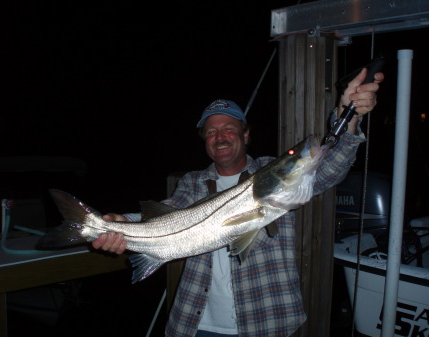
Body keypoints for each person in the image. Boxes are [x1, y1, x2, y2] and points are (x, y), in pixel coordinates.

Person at [92, 68, 384, 337]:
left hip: (268, 322)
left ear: (246, 135)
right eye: (211, 131)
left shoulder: (270, 173)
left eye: (229, 128)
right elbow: (168, 214)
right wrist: (121, 224)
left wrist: (349, 117)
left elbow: (330, 167)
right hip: (195, 324)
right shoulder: (192, 183)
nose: (220, 137)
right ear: (205, 140)